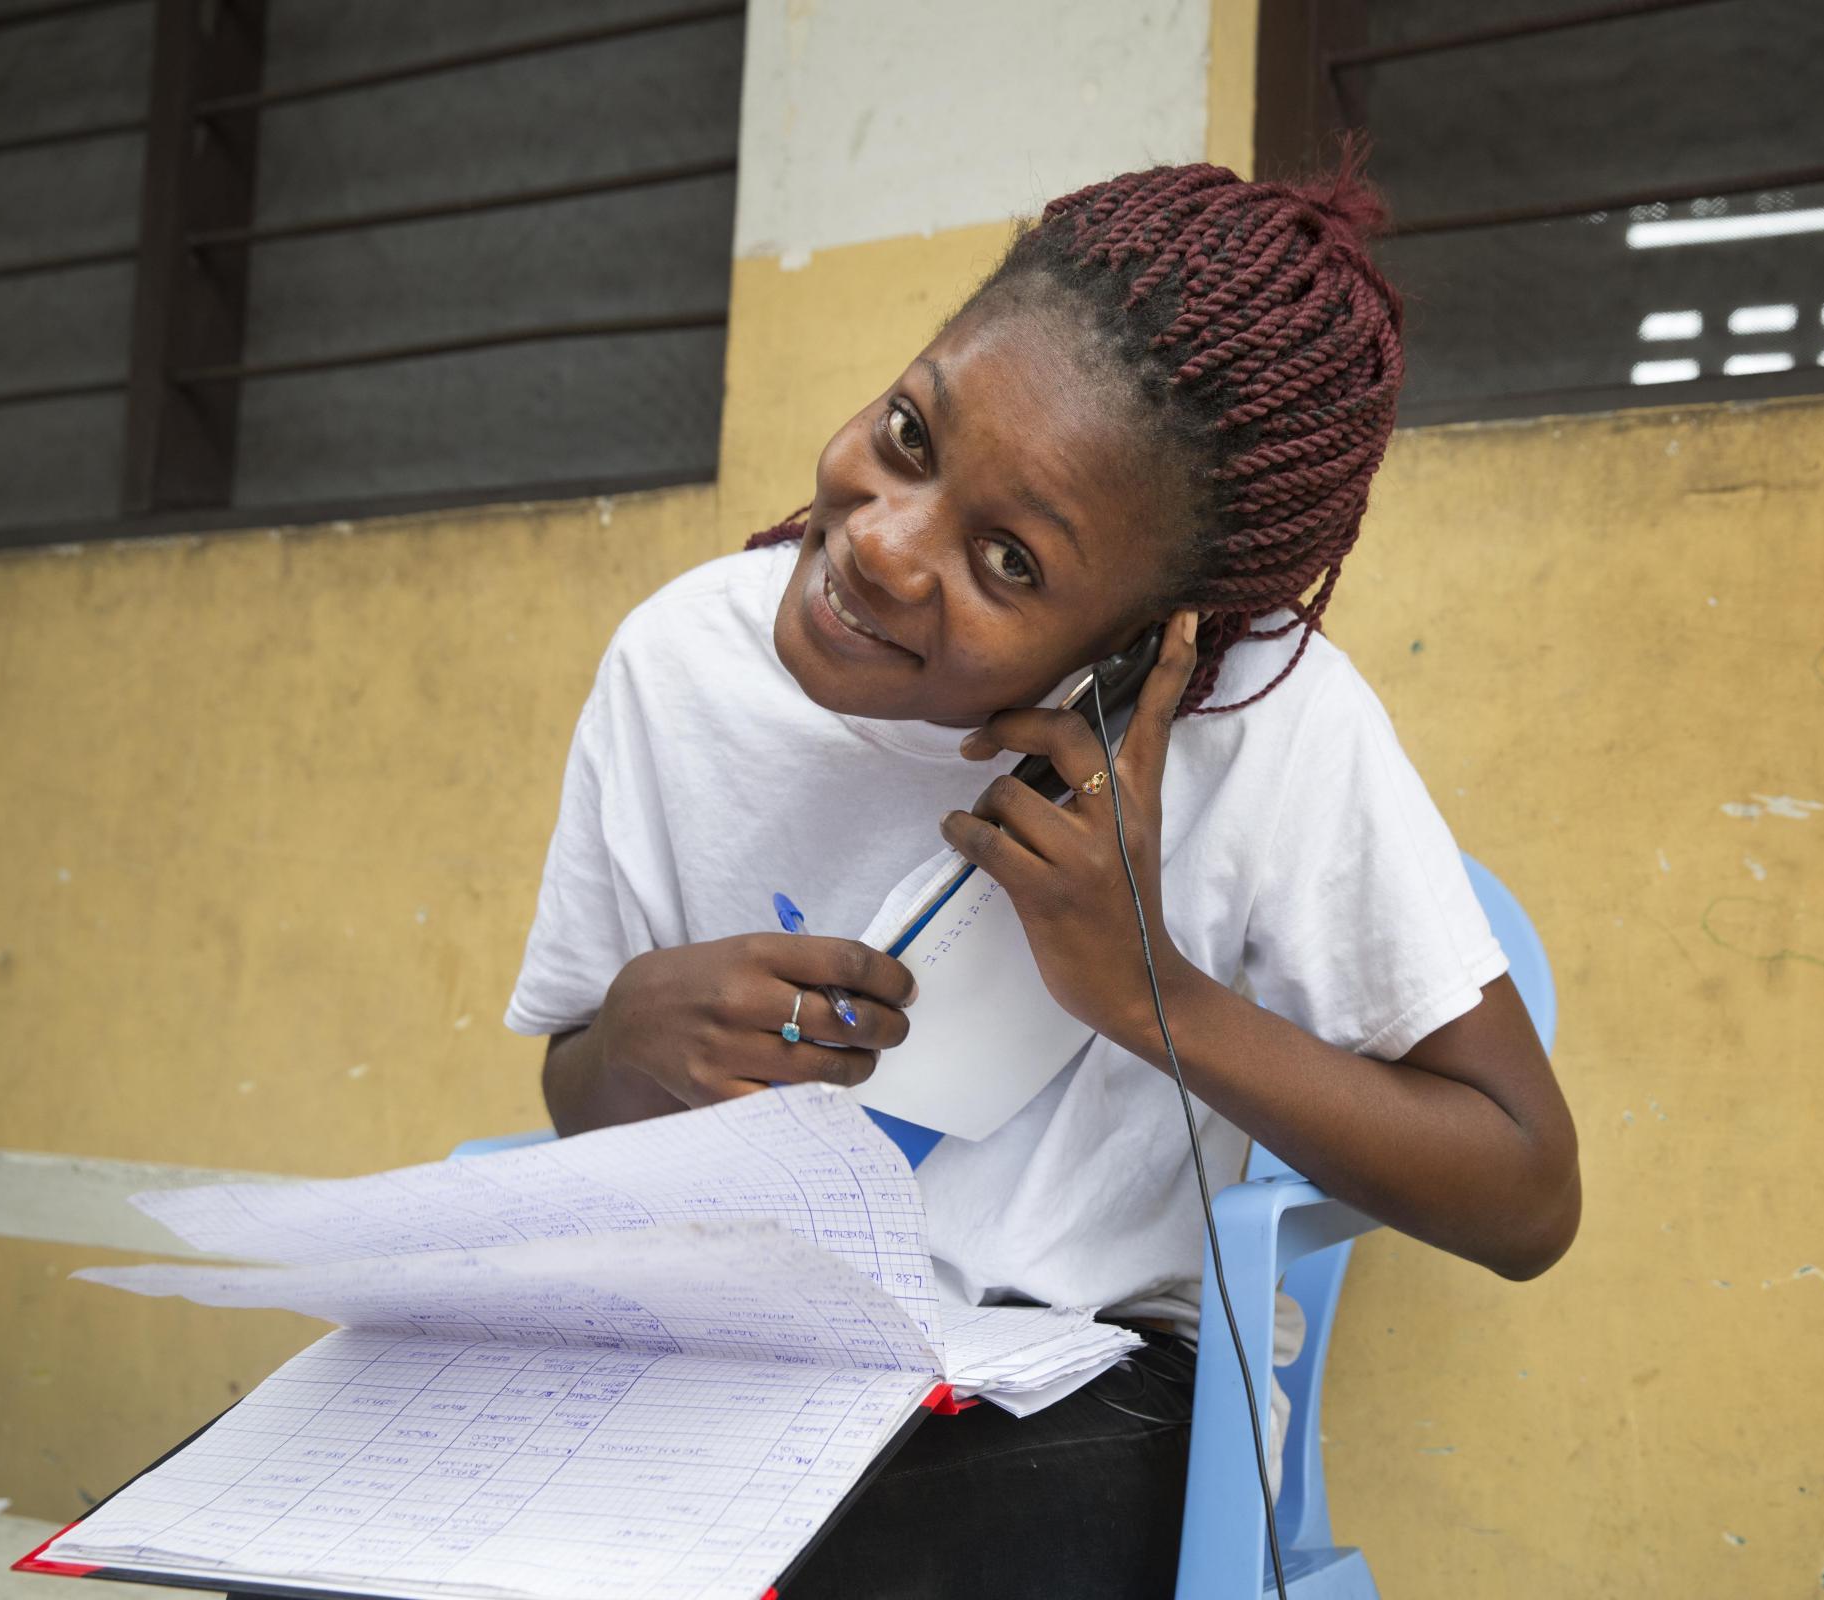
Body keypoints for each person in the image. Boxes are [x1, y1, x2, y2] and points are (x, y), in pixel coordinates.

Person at [505, 158, 1581, 1599]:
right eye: (907, 432)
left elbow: (1524, 1194)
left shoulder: (1266, 726)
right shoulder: (675, 664)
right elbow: (580, 1103)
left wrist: (1145, 986)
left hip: (1072, 1386)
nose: (883, 543)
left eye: (1008, 560)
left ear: (1157, 638)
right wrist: (626, 1044)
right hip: (723, 1351)